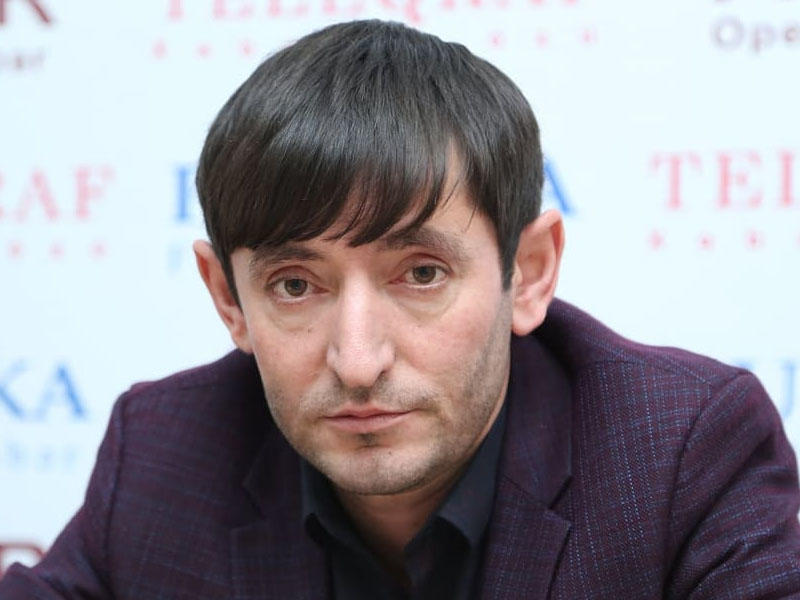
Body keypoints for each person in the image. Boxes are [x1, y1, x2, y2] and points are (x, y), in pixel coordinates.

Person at [2, 19, 799, 600]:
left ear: (527, 274)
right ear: (227, 298)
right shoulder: (163, 458)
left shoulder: (679, 454)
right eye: (295, 285)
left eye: (421, 273)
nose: (357, 361)